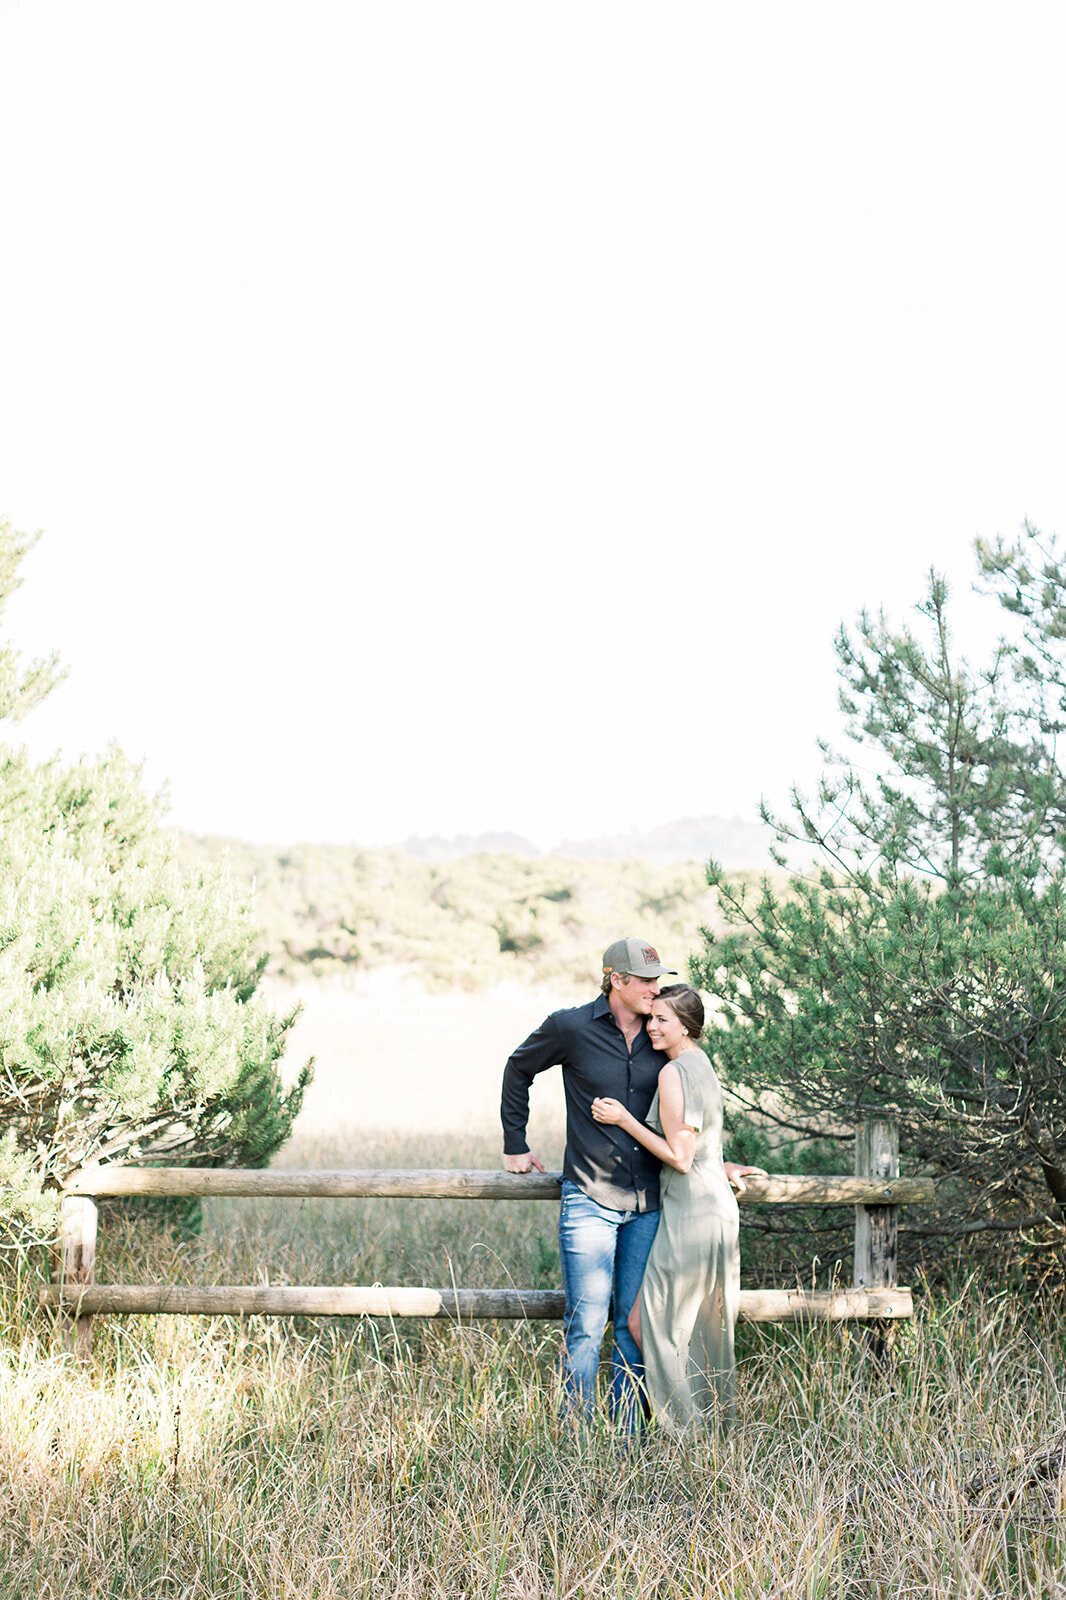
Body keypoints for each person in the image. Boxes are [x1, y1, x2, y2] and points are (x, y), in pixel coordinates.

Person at [500, 936, 677, 1426]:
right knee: (586, 1325)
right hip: (589, 1197)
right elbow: (518, 1069)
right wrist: (516, 1143)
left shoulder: (662, 1032)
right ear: (615, 980)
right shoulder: (570, 1026)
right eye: (644, 980)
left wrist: (715, 1160)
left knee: (631, 1325)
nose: (653, 989)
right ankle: (574, 1437)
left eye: (657, 980)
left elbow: (694, 1102)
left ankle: (626, 1437)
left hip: (648, 1201)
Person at [591, 984, 765, 1433]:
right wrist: (720, 1163)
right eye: (651, 1018)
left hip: (691, 1209)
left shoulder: (673, 1073)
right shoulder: (699, 1063)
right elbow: (702, 1143)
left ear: (686, 1025)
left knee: (648, 1323)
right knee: (696, 1324)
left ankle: (684, 1430)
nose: (651, 1026)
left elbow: (681, 1157)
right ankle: (708, 1427)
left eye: (662, 1019)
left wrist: (625, 1120)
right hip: (715, 1205)